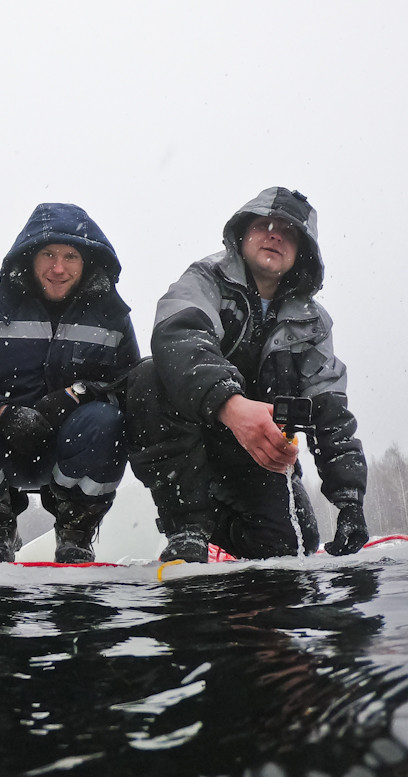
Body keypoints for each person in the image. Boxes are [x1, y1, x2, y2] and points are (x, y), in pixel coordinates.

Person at [126, 187, 368, 563]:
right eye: (263, 226)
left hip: (255, 454)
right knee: (151, 375)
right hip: (192, 434)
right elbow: (178, 335)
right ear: (242, 235)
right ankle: (186, 524)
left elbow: (329, 407)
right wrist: (231, 405)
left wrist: (349, 500)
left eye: (288, 232)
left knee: (293, 544)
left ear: (302, 251)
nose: (275, 235)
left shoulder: (313, 323)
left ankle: (214, 514)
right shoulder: (204, 279)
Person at [0, 203, 140, 563]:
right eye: (48, 254)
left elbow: (130, 384)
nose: (58, 268)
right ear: (29, 258)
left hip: (75, 449)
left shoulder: (112, 318)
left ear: (88, 263)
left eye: (71, 256)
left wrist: (77, 395)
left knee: (108, 421)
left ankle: (75, 532)